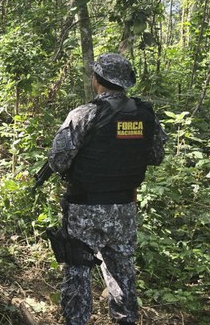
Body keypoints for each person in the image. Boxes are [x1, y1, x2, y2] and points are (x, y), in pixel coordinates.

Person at [47, 53, 166, 325]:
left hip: (85, 209)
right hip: (124, 208)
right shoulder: (145, 114)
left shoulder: (85, 114)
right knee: (122, 271)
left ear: (97, 80)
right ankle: (125, 319)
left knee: (79, 269)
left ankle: (76, 320)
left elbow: (57, 161)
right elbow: (156, 156)